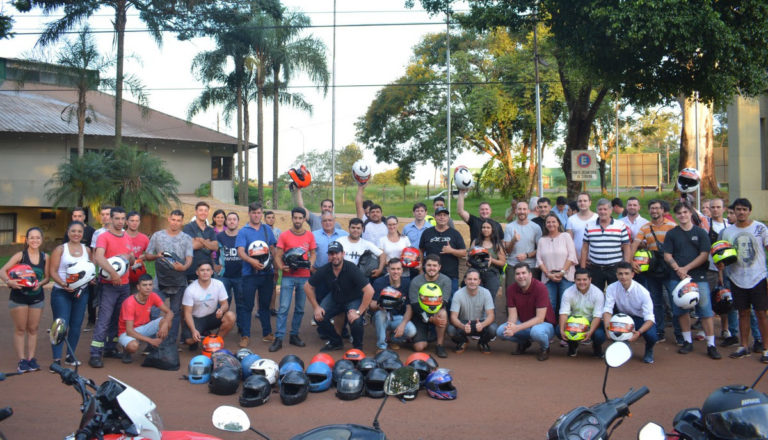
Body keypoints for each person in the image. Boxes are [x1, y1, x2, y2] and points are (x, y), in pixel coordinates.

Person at [663, 201, 720, 359]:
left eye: (685, 212)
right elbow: (667, 254)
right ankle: (687, 341)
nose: (682, 215)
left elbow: (704, 254)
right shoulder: (672, 233)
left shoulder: (701, 233)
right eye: (679, 213)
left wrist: (686, 269)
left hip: (698, 276)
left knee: (705, 310)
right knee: (681, 310)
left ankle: (711, 344)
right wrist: (678, 269)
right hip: (677, 278)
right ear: (676, 215)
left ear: (690, 214)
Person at [719, 198, 768, 363]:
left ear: (749, 211)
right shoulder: (727, 232)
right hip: (736, 278)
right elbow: (721, 256)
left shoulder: (760, 228)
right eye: (738, 209)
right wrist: (720, 268)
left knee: (761, 313)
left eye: (744, 209)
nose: (741, 212)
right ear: (733, 211)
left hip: (758, 276)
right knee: (743, 313)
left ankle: (766, 349)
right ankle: (744, 346)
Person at [305, 241, 374, 351]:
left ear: (343, 254)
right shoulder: (325, 269)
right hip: (335, 298)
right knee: (318, 317)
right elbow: (308, 286)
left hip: (353, 298)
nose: (334, 256)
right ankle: (336, 341)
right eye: (331, 254)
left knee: (356, 321)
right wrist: (316, 307)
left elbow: (369, 291)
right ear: (328, 256)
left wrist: (359, 312)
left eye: (337, 253)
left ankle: (357, 347)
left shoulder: (352, 268)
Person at [89, 207, 135, 368]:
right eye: (117, 218)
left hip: (125, 285)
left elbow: (131, 260)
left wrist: (131, 258)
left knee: (118, 318)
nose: (120, 221)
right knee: (104, 318)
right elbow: (99, 257)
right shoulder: (104, 237)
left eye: (123, 218)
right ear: (110, 219)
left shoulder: (128, 237)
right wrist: (113, 274)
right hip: (109, 285)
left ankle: (110, 347)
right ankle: (95, 353)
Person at [1, 227, 49, 373]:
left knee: (33, 329)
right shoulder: (20, 255)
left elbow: (47, 277)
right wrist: (9, 282)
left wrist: (39, 284)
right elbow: (2, 271)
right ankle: (22, 360)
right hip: (19, 298)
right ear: (26, 240)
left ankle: (31, 359)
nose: (35, 240)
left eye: (37, 238)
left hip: (37, 298)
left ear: (41, 240)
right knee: (21, 329)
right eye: (32, 238)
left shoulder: (45, 257)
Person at [144, 209, 194, 346]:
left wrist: (184, 267)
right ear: (169, 219)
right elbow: (147, 256)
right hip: (159, 281)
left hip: (178, 281)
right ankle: (152, 343)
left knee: (175, 313)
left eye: (178, 220)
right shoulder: (157, 236)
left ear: (182, 222)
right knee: (153, 311)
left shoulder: (186, 238)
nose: (175, 223)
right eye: (173, 219)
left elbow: (189, 257)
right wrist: (156, 256)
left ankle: (170, 343)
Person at [270, 207, 317, 352]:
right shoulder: (284, 235)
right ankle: (279, 338)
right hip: (288, 276)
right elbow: (278, 255)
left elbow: (313, 253)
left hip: (304, 277)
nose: (297, 220)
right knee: (283, 308)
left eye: (300, 218)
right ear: (292, 218)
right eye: (295, 218)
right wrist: (280, 267)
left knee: (300, 309)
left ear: (304, 219)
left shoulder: (309, 235)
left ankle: (294, 335)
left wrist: (311, 265)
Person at [632, 199, 678, 343]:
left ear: (663, 210)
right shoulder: (645, 227)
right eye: (652, 208)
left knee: (674, 300)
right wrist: (631, 260)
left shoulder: (672, 226)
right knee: (655, 301)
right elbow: (635, 244)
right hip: (652, 269)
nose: (654, 211)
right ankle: (659, 331)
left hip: (669, 268)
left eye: (657, 208)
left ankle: (679, 333)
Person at [48, 221, 92, 369]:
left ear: (83, 234)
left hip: (81, 293)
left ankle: (70, 356)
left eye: (79, 231)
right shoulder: (60, 249)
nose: (76, 234)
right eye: (73, 231)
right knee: (60, 325)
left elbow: (90, 270)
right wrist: (64, 285)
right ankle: (56, 359)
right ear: (68, 232)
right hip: (61, 292)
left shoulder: (87, 250)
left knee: (76, 325)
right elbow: (53, 272)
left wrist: (91, 279)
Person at [235, 202, 277, 345]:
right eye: (254, 213)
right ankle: (245, 335)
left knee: (265, 305)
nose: (256, 215)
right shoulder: (243, 231)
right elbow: (240, 251)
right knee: (247, 305)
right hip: (249, 274)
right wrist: (251, 261)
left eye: (259, 213)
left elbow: (272, 248)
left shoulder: (267, 229)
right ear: (249, 213)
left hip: (266, 274)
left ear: (261, 213)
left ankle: (267, 333)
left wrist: (274, 264)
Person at [496, 263, 556, 361]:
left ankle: (545, 348)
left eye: (523, 273)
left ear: (530, 274)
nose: (521, 276)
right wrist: (511, 326)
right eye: (518, 274)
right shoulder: (511, 289)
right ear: (515, 276)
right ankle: (524, 343)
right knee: (501, 331)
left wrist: (517, 328)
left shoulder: (540, 288)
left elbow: (540, 319)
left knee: (536, 332)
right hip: (525, 324)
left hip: (544, 325)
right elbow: (512, 315)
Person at [603, 262, 658, 364]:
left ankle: (649, 350)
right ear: (616, 275)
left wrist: (639, 333)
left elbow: (650, 319)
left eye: (626, 273)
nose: (623, 276)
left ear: (632, 274)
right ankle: (622, 346)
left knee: (652, 336)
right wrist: (607, 328)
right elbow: (607, 310)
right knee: (614, 327)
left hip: (640, 319)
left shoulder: (643, 292)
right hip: (623, 318)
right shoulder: (611, 288)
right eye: (620, 274)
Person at [117, 274, 174, 364]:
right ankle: (126, 351)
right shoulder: (130, 303)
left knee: (167, 322)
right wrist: (150, 340)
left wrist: (165, 324)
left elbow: (170, 312)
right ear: (138, 287)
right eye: (144, 285)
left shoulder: (153, 296)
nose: (148, 288)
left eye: (150, 285)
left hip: (144, 327)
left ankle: (156, 345)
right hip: (126, 332)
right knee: (133, 346)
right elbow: (129, 331)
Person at [406, 254, 453, 358]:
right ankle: (423, 336)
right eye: (429, 265)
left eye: (435, 265)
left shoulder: (446, 280)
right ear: (424, 266)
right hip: (419, 314)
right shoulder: (416, 281)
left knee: (443, 313)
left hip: (437, 312)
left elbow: (443, 302)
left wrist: (434, 317)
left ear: (439, 267)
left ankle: (440, 345)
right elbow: (415, 305)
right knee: (419, 347)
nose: (432, 268)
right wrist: (430, 319)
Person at [579, 198, 631, 290]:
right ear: (597, 211)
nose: (602, 212)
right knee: (596, 293)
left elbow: (627, 247)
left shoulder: (620, 225)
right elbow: (585, 248)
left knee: (616, 294)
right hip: (596, 268)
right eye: (600, 209)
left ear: (611, 210)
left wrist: (626, 267)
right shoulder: (589, 225)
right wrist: (583, 269)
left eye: (605, 209)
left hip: (615, 268)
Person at [181, 262, 235, 348]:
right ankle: (198, 335)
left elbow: (225, 304)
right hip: (197, 319)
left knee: (231, 316)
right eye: (202, 270)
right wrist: (193, 330)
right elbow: (187, 313)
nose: (205, 272)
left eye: (208, 270)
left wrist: (221, 310)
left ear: (212, 272)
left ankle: (215, 342)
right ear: (197, 272)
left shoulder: (218, 284)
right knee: (189, 340)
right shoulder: (190, 290)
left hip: (212, 316)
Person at [370, 258, 416, 352]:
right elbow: (371, 304)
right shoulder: (379, 282)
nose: (396, 272)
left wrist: (403, 324)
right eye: (393, 269)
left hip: (398, 318)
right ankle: (382, 346)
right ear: (388, 270)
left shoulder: (407, 283)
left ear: (402, 270)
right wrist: (381, 305)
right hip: (382, 317)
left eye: (398, 269)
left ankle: (392, 339)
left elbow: (409, 308)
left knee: (411, 331)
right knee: (380, 314)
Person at [557, 268, 605, 357]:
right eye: (578, 280)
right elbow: (564, 313)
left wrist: (590, 332)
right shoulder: (568, 292)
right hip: (574, 324)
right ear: (574, 280)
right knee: (558, 330)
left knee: (599, 335)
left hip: (591, 322)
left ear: (590, 280)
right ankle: (573, 345)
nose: (581, 282)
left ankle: (596, 347)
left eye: (584, 279)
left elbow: (597, 316)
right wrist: (561, 329)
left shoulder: (598, 293)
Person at [448, 269, 497, 354]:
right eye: (469, 279)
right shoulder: (458, 294)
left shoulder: (486, 293)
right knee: (450, 330)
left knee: (493, 329)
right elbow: (453, 317)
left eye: (475, 279)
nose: (472, 282)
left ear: (479, 281)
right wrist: (462, 326)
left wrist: (482, 324)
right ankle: (462, 341)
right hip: (464, 323)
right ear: (465, 281)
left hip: (480, 323)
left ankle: (483, 342)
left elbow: (491, 315)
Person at [537, 213, 577, 315]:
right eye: (548, 222)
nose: (551, 224)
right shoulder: (541, 240)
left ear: (558, 223)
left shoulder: (566, 236)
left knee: (566, 305)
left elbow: (572, 256)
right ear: (545, 225)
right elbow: (539, 260)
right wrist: (548, 274)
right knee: (550, 305)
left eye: (553, 221)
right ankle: (550, 327)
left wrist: (562, 272)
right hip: (548, 277)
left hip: (566, 276)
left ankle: (564, 328)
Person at [419, 206, 466, 294]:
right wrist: (421, 268)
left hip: (450, 275)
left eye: (444, 215)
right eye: (439, 215)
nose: (442, 217)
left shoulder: (455, 234)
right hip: (430, 274)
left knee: (450, 301)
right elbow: (421, 250)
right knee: (430, 299)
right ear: (435, 217)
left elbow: (464, 253)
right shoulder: (427, 233)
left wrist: (452, 251)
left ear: (448, 218)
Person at [66, 207, 97, 330]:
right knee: (70, 295)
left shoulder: (92, 231)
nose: (77, 218)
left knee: (90, 296)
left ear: (84, 217)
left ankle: (91, 321)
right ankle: (67, 322)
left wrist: (92, 271)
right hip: (72, 269)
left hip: (87, 269)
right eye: (75, 216)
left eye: (80, 216)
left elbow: (93, 252)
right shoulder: (69, 231)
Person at [503, 201, 541, 291]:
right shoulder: (510, 227)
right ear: (516, 211)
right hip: (513, 264)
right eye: (519, 209)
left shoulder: (536, 227)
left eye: (524, 209)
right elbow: (507, 250)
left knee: (532, 292)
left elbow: (540, 249)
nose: (522, 211)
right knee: (511, 292)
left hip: (530, 265)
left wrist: (527, 255)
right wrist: (513, 241)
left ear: (528, 211)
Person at [470, 219, 506, 297]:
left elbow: (503, 262)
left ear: (492, 229)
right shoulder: (476, 242)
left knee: (489, 299)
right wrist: (472, 260)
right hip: (476, 274)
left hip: (492, 274)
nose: (485, 229)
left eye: (488, 227)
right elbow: (468, 260)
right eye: (483, 227)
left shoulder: (497, 244)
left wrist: (491, 260)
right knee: (477, 298)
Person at [183, 201, 218, 281]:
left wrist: (201, 240)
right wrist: (208, 242)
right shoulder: (188, 227)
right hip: (192, 270)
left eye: (206, 210)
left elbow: (215, 247)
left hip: (208, 270)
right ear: (196, 212)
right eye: (201, 210)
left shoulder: (210, 230)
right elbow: (191, 246)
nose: (203, 213)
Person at [217, 212, 242, 307]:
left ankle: (241, 322)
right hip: (224, 276)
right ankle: (223, 322)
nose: (232, 221)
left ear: (238, 222)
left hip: (241, 276)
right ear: (226, 222)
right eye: (229, 219)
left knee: (241, 304)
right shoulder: (219, 236)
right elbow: (214, 253)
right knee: (223, 304)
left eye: (234, 219)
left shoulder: (243, 235)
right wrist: (215, 265)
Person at [566, 192, 598, 257]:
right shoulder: (571, 219)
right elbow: (569, 241)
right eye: (580, 201)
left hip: (595, 258)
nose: (582, 203)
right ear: (577, 203)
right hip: (577, 258)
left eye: (585, 201)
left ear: (590, 203)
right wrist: (576, 257)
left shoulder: (597, 217)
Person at [125, 211, 149, 291]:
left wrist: (144, 257)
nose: (134, 223)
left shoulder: (144, 238)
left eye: (137, 221)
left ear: (139, 222)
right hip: (122, 272)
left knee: (136, 299)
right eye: (132, 221)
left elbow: (149, 255)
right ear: (126, 222)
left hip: (137, 273)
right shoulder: (120, 236)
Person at [211, 209, 226, 275]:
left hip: (227, 258)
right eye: (218, 217)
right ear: (214, 218)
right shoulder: (210, 231)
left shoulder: (229, 230)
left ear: (225, 219)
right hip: (214, 259)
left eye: (222, 217)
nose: (220, 219)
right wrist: (213, 264)